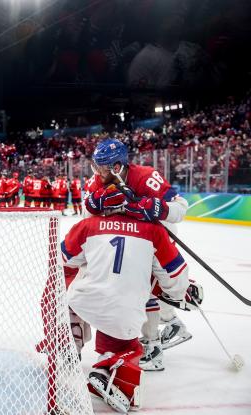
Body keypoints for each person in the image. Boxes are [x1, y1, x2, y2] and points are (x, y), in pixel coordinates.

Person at [61, 212, 197, 413]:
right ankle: (106, 366)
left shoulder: (88, 224)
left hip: (81, 301)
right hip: (121, 314)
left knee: (71, 293)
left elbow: (63, 259)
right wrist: (181, 290)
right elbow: (175, 283)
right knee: (130, 342)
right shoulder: (155, 231)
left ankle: (71, 337)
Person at [84, 138, 191, 371]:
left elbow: (181, 208)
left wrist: (156, 208)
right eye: (97, 166)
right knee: (136, 291)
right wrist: (95, 202)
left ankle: (153, 346)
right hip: (126, 242)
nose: (99, 173)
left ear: (119, 165)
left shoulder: (145, 176)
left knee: (147, 292)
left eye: (105, 167)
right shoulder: (97, 181)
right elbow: (86, 213)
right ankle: (164, 327)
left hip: (156, 241)